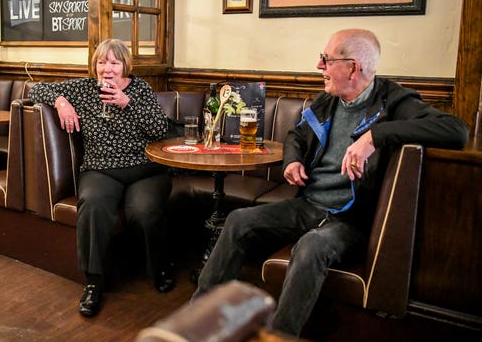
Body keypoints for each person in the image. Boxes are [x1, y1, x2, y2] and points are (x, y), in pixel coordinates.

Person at [191, 29, 469, 337]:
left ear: (353, 67)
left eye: (326, 59)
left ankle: (280, 335)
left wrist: (375, 136)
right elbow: (296, 134)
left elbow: (456, 131)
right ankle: (198, 318)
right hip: (309, 205)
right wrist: (292, 160)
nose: (319, 66)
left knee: (312, 246)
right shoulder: (328, 101)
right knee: (238, 219)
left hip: (350, 219)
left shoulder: (393, 101)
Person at [28, 38, 175, 318]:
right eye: (101, 62)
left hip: (145, 168)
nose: (107, 68)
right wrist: (61, 102)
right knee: (93, 204)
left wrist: (126, 102)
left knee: (144, 211)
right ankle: (94, 282)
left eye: (114, 62)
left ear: (125, 67)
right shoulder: (83, 89)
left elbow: (159, 129)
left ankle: (160, 267)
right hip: (100, 168)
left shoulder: (140, 89)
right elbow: (37, 88)